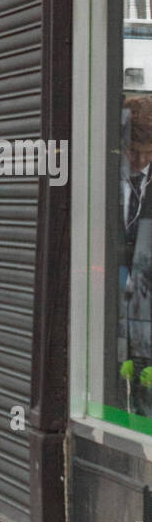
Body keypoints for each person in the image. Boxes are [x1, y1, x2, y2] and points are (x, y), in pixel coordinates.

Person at [119, 95, 152, 419]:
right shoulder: (105, 180)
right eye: (133, 152)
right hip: (113, 308)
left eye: (147, 153)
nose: (140, 160)